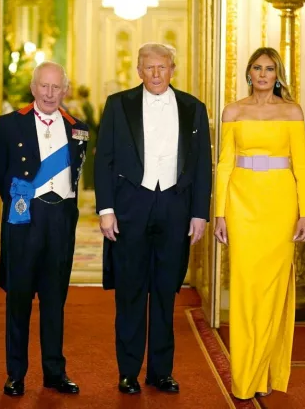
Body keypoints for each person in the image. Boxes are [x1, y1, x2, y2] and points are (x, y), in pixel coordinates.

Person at [94, 43, 212, 395]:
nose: (156, 74)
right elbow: (105, 160)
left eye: (163, 67)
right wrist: (105, 209)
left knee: (165, 293)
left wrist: (199, 214)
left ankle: (161, 372)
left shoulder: (194, 108)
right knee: (130, 293)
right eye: (150, 68)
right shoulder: (118, 104)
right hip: (131, 207)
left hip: (176, 209)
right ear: (139, 71)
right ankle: (128, 371)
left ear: (173, 69)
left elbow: (203, 166)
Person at [213, 47, 305, 400]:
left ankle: (265, 369)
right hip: (241, 205)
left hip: (280, 205)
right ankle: (244, 376)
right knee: (243, 290)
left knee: (272, 293)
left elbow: (301, 164)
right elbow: (224, 164)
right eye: (257, 68)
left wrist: (304, 213)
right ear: (249, 73)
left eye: (269, 69)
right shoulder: (233, 111)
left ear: (277, 74)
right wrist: (219, 213)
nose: (263, 74)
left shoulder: (292, 111)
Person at [0, 61, 89, 397]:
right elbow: (2, 172)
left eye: (56, 87)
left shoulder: (79, 129)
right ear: (33, 88)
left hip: (61, 220)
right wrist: (21, 203)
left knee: (54, 300)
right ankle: (15, 374)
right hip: (24, 220)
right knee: (18, 300)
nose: (49, 93)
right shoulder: (8, 125)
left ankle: (54, 372)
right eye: (43, 86)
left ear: (65, 90)